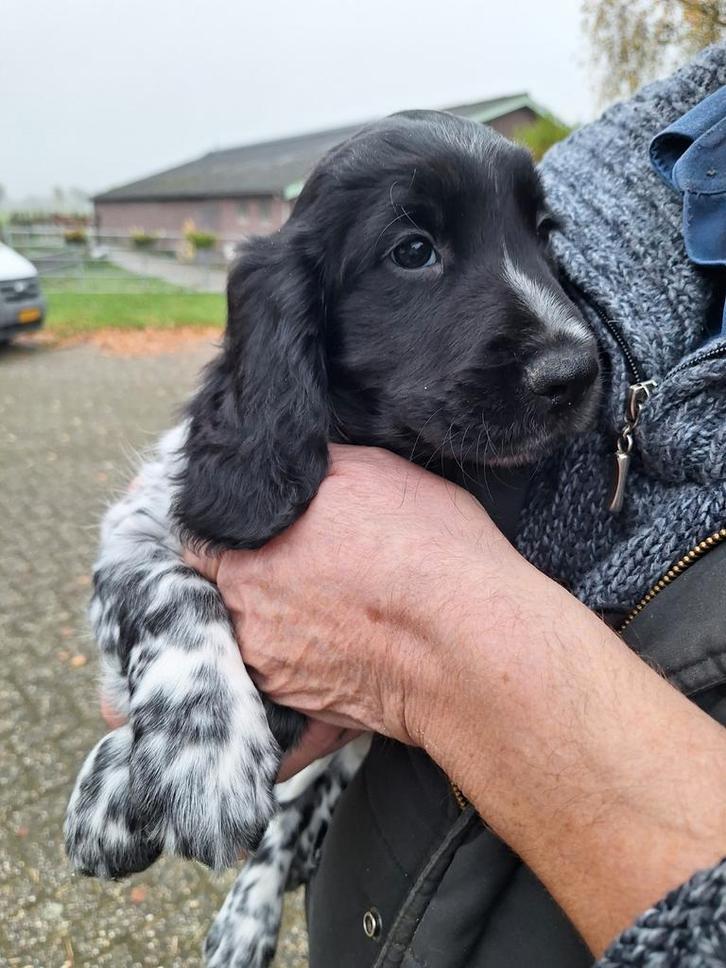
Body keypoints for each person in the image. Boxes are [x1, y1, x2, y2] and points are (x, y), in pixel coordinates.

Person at [180, 46, 726, 966]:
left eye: (539, 244)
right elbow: (217, 484)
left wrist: (440, 636)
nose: (564, 341)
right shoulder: (658, 138)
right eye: (415, 249)